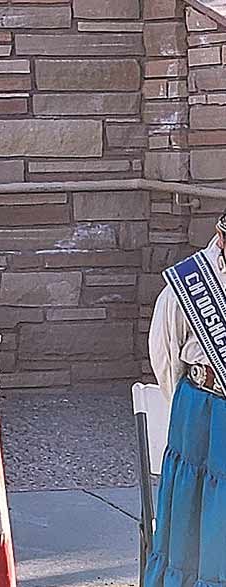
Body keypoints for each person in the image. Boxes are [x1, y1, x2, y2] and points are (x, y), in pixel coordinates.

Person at [147, 212, 226, 586]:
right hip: (204, 411)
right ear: (221, 237)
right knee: (196, 518)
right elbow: (165, 361)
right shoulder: (188, 285)